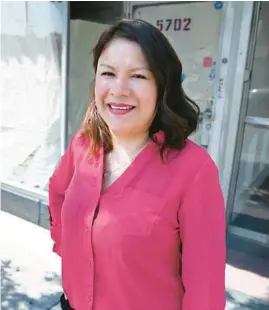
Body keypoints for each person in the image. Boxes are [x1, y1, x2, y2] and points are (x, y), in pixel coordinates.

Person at [48, 19, 226, 310]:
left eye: (138, 76)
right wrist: (69, 246)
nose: (119, 89)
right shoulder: (84, 144)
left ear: (162, 85)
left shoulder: (194, 170)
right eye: (108, 73)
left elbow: (205, 294)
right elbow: (57, 192)